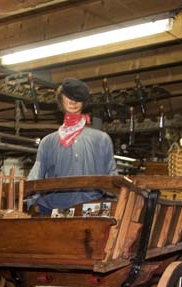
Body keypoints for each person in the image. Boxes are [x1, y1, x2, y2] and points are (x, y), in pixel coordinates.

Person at [27, 77, 117, 213]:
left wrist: (117, 204)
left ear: (84, 102)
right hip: (53, 208)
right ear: (60, 99)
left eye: (78, 98)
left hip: (91, 208)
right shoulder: (48, 142)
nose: (73, 102)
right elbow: (36, 174)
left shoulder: (101, 139)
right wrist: (29, 204)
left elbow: (112, 174)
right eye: (68, 96)